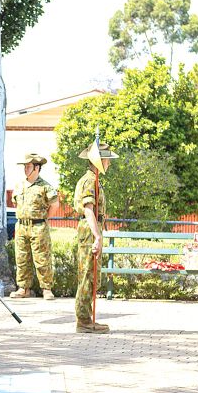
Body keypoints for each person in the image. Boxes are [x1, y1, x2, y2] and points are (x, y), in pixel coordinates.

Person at [73, 143, 117, 334]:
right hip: (90, 230)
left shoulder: (93, 179)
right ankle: (83, 321)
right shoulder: (90, 181)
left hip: (91, 229)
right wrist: (97, 236)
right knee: (88, 276)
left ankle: (87, 318)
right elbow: (88, 209)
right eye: (106, 159)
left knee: (92, 276)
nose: (108, 163)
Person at [10, 153, 59, 300]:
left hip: (38, 226)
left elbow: (55, 205)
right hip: (21, 226)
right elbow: (15, 203)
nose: (25, 169)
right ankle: (23, 288)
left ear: (37, 168)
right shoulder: (19, 185)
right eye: (25, 166)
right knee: (21, 258)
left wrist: (43, 219)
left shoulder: (45, 187)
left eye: (28, 166)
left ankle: (46, 289)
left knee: (42, 258)